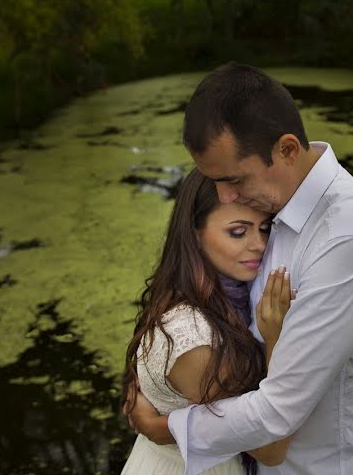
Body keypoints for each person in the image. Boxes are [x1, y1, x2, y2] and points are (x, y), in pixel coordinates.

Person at [127, 63, 353, 474]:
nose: (224, 196)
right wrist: (156, 377)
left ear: (287, 150)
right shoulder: (273, 205)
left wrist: (166, 424)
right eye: (215, 181)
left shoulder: (346, 238)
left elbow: (277, 413)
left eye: (234, 180)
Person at [120, 167, 295, 474]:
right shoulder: (195, 338)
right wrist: (276, 340)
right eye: (238, 232)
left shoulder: (202, 295)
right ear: (195, 235)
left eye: (265, 229)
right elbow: (269, 448)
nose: (259, 244)